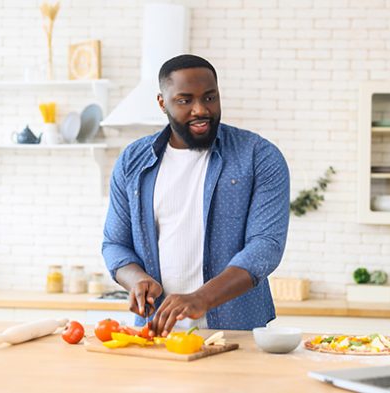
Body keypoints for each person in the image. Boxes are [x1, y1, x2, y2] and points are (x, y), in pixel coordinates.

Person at [102, 54, 290, 337]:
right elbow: (115, 244)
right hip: (155, 334)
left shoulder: (258, 156)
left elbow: (266, 246)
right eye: (185, 100)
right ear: (162, 103)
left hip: (236, 333)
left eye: (210, 98)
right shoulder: (132, 161)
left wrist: (201, 298)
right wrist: (136, 279)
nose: (200, 109)